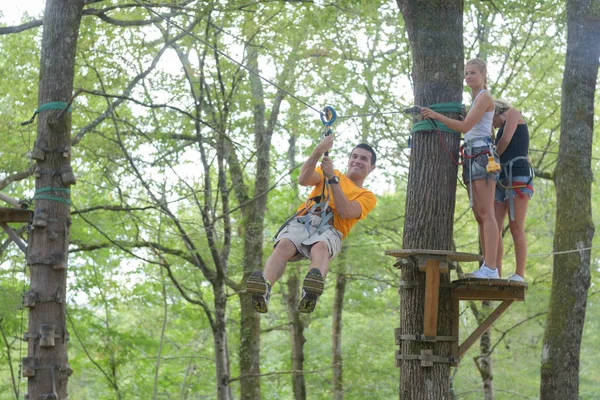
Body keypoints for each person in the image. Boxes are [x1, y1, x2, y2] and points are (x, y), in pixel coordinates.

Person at [246, 135, 377, 313]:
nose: (357, 161)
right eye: (354, 156)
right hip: (306, 218)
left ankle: (310, 293)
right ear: (349, 160)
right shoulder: (329, 172)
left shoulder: (366, 196)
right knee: (284, 245)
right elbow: (303, 179)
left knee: (320, 247)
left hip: (331, 228)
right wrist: (318, 150)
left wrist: (332, 179)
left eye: (364, 158)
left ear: (372, 167)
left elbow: (346, 211)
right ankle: (264, 289)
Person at [420, 58, 501, 279]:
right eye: (466, 73)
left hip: (483, 155)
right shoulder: (475, 100)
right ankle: (487, 265)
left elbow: (465, 127)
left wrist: (436, 115)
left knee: (486, 212)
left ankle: (491, 268)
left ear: (483, 75)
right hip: (472, 154)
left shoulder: (484, 97)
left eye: (473, 73)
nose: (468, 77)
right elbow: (471, 127)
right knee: (478, 214)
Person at [492, 99, 533, 282]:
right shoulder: (499, 127)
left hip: (518, 175)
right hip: (501, 177)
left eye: (490, 118)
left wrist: (492, 157)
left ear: (495, 111)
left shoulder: (513, 114)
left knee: (516, 226)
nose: (491, 125)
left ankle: (519, 274)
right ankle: (495, 272)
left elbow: (506, 140)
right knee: (494, 226)